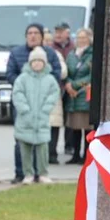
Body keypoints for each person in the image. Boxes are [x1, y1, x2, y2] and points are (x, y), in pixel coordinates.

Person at [5, 24, 62, 183]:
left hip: (42, 108)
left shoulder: (50, 54)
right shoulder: (16, 53)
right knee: (21, 142)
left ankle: (41, 173)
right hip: (23, 108)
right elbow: (10, 74)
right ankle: (22, 173)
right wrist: (24, 92)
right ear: (25, 36)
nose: (32, 36)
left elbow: (56, 73)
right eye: (29, 33)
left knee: (42, 143)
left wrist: (45, 103)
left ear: (42, 36)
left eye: (36, 33)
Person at [64, 28, 93, 165]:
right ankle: (75, 154)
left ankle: (87, 156)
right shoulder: (71, 55)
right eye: (79, 38)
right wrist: (69, 85)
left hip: (84, 94)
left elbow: (91, 75)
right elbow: (67, 72)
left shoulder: (92, 54)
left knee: (87, 127)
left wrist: (76, 86)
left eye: (83, 37)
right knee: (75, 127)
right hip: (72, 96)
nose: (81, 40)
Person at [43, 29, 68, 165]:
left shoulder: (56, 54)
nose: (47, 43)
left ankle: (52, 153)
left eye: (49, 41)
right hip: (40, 94)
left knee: (54, 124)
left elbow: (63, 72)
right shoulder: (38, 54)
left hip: (54, 93)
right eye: (45, 40)